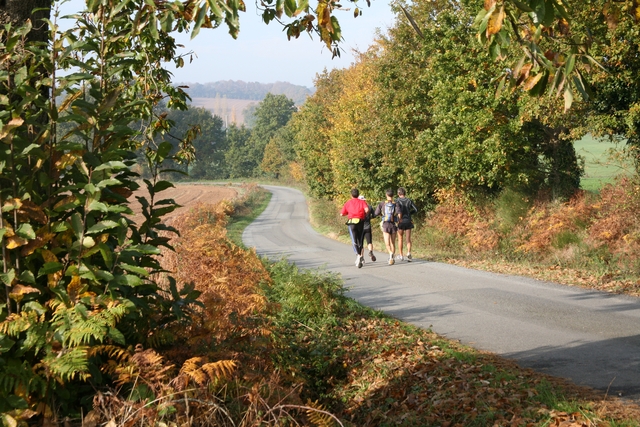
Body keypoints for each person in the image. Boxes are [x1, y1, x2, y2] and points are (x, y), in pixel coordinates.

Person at [340, 188, 370, 268]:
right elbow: (367, 209)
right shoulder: (362, 202)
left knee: (354, 240)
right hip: (360, 222)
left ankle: (358, 256)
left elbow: (342, 214)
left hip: (352, 223)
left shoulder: (348, 203)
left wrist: (348, 213)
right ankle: (360, 256)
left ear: (351, 195)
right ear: (358, 195)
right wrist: (363, 214)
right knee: (360, 240)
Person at [374, 189, 398, 265]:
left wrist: (382, 215)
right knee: (393, 243)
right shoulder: (396, 204)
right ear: (393, 195)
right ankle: (392, 258)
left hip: (385, 224)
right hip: (393, 225)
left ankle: (390, 253)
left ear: (386, 195)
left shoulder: (382, 204)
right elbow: (399, 213)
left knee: (387, 243)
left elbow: (376, 213)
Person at [395, 187, 418, 262]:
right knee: (408, 238)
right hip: (408, 220)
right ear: (404, 193)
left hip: (400, 221)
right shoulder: (409, 200)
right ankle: (408, 253)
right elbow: (416, 209)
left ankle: (401, 255)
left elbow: (395, 210)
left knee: (400, 238)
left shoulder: (397, 201)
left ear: (399, 193)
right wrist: (410, 214)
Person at [359, 195, 377, 262]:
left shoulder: (358, 208)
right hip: (368, 227)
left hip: (360, 228)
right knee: (369, 242)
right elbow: (374, 215)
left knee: (361, 244)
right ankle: (370, 252)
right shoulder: (369, 207)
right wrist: (370, 218)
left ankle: (362, 257)